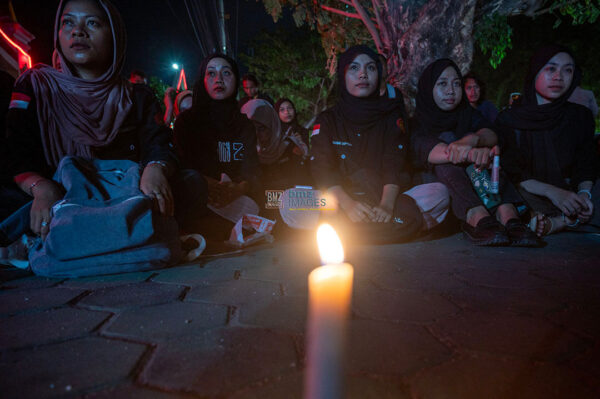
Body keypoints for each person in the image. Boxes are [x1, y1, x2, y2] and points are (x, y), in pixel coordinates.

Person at [0, 0, 206, 248]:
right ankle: (122, 232)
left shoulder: (136, 96)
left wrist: (155, 168)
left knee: (191, 183)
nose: (78, 31)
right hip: (60, 194)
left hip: (122, 193)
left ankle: (71, 236)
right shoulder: (36, 86)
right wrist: (40, 187)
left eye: (92, 23)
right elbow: (15, 151)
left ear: (115, 36)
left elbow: (158, 143)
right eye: (68, 22)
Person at [310, 45, 450, 243]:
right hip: (342, 198)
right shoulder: (327, 119)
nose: (362, 75)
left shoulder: (390, 115)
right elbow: (321, 167)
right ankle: (393, 228)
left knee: (439, 194)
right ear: (343, 75)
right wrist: (349, 205)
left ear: (378, 74)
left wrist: (386, 205)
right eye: (354, 68)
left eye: (370, 68)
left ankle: (347, 232)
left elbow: (394, 162)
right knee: (290, 201)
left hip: (385, 196)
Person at [412, 58, 540, 246]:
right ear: (428, 88)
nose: (451, 90)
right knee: (451, 147)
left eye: (456, 84)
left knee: (488, 150)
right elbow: (430, 151)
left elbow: (490, 133)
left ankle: (507, 214)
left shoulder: (467, 113)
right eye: (442, 84)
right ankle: (476, 215)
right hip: (440, 189)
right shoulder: (417, 121)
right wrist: (473, 153)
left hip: (476, 181)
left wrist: (473, 141)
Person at [496, 45, 599, 236]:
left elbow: (587, 163)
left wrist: (584, 195)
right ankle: (560, 219)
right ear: (535, 71)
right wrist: (553, 192)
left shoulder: (580, 116)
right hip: (531, 191)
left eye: (567, 70)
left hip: (571, 191)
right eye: (550, 68)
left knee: (593, 196)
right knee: (504, 189)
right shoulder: (509, 119)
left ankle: (561, 220)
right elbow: (513, 171)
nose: (559, 77)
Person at [173, 54, 261, 238]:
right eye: (211, 73)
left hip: (237, 198)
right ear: (202, 80)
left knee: (277, 194)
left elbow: (251, 168)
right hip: (202, 198)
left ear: (236, 80)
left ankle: (220, 231)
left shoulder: (244, 125)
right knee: (190, 184)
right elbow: (182, 165)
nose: (219, 79)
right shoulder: (187, 122)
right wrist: (210, 185)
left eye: (226, 73)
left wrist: (239, 188)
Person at [241, 99, 311, 190]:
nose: (287, 112)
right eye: (282, 110)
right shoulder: (244, 148)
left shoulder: (291, 142)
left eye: (262, 128)